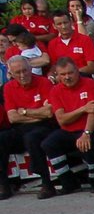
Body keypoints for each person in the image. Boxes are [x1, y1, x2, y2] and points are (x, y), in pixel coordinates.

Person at [41, 57, 94, 197]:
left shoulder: (89, 84)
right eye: (63, 74)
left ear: (77, 71)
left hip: (89, 129)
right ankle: (68, 181)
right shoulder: (55, 90)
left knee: (87, 143)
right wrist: (82, 109)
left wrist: (86, 133)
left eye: (70, 73)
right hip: (68, 130)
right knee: (48, 144)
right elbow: (62, 119)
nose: (67, 77)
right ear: (57, 75)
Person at [2, 54, 56, 199]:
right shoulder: (8, 88)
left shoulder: (44, 83)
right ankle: (4, 184)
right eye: (17, 72)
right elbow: (12, 117)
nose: (22, 75)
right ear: (11, 74)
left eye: (24, 70)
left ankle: (47, 184)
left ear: (30, 68)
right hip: (21, 127)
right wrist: (38, 113)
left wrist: (25, 111)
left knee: (32, 138)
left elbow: (49, 113)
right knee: (2, 138)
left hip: (44, 126)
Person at [47, 10, 94, 74]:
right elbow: (53, 66)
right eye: (59, 24)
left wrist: (72, 73)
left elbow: (92, 67)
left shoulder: (85, 40)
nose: (63, 26)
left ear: (71, 22)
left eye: (65, 23)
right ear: (54, 26)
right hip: (61, 80)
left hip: (83, 77)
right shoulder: (52, 44)